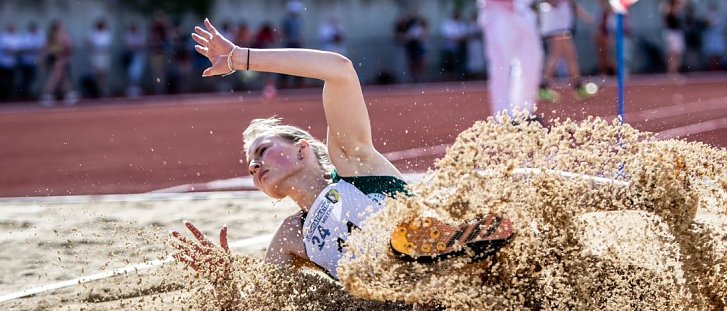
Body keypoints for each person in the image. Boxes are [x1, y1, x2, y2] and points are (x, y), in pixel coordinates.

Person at [171, 19, 513, 285]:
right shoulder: (291, 236)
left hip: (440, 260)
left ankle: (455, 248)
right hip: (405, 308)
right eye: (250, 167)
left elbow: (340, 72)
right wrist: (226, 282)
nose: (255, 165)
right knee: (384, 269)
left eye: (262, 150)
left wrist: (240, 58)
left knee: (402, 237)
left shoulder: (351, 163)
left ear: (302, 149)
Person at [478, 0, 543, 117]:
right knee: (501, 65)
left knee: (532, 61)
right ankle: (503, 115)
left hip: (523, 10)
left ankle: (524, 110)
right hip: (498, 11)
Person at [537, 0, 594, 100]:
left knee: (570, 56)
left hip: (562, 26)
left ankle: (577, 86)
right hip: (556, 25)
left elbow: (572, 5)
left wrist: (586, 17)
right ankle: (543, 87)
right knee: (556, 56)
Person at [41, 20, 76, 106]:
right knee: (56, 77)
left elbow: (69, 48)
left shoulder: (64, 37)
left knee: (61, 77)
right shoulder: (53, 37)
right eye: (61, 27)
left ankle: (68, 94)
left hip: (62, 59)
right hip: (56, 60)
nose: (63, 28)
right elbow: (47, 49)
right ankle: (48, 95)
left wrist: (66, 57)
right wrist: (44, 60)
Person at [16, 22, 44, 100]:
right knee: (25, 79)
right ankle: (22, 94)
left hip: (33, 61)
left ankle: (26, 93)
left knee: (32, 78)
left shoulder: (39, 35)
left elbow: (42, 47)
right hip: (25, 62)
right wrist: (32, 49)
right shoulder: (26, 36)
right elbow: (22, 49)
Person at [87, 19, 112, 98]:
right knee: (97, 73)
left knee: (104, 73)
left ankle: (103, 90)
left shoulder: (106, 33)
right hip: (96, 56)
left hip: (104, 55)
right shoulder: (93, 33)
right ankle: (96, 89)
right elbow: (88, 43)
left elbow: (108, 46)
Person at [662, 0, 685, 78]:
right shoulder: (669, 9)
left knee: (677, 54)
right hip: (672, 33)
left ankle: (674, 72)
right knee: (673, 54)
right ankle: (672, 72)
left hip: (676, 33)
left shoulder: (676, 9)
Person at [0, 23, 17, 102]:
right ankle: (2, 97)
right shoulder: (3, 37)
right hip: (3, 63)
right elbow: (7, 50)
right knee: (3, 81)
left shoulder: (15, 37)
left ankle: (8, 97)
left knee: (10, 82)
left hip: (11, 63)